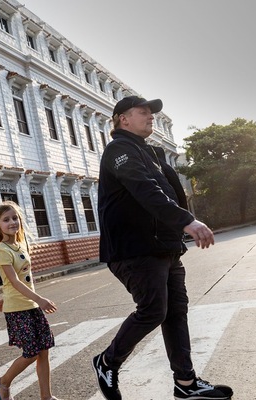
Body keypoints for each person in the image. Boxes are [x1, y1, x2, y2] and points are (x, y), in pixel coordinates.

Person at [91, 96, 234, 400]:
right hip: (134, 249)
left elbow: (172, 193)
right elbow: (145, 190)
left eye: (152, 113)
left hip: (164, 246)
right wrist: (187, 222)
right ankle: (107, 361)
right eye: (142, 112)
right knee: (154, 310)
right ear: (122, 119)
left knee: (175, 313)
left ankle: (185, 383)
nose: (150, 117)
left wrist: (181, 228)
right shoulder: (119, 150)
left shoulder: (152, 153)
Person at [0, 202, 58, 400]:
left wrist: (5, 296)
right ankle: (3, 382)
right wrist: (41, 300)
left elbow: (17, 279)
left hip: (30, 305)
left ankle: (46, 396)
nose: (12, 222)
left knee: (43, 350)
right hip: (19, 309)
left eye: (14, 218)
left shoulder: (20, 245)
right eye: (6, 219)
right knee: (32, 352)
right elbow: (15, 281)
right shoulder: (2, 250)